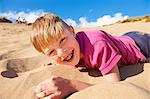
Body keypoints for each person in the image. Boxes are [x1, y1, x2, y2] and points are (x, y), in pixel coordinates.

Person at [30, 13, 150, 99]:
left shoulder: (97, 45)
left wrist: (71, 85)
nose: (62, 52)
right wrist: (54, 63)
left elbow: (115, 86)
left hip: (139, 43)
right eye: (52, 52)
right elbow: (61, 56)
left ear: (72, 31)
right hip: (121, 39)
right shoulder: (66, 53)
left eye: (62, 40)